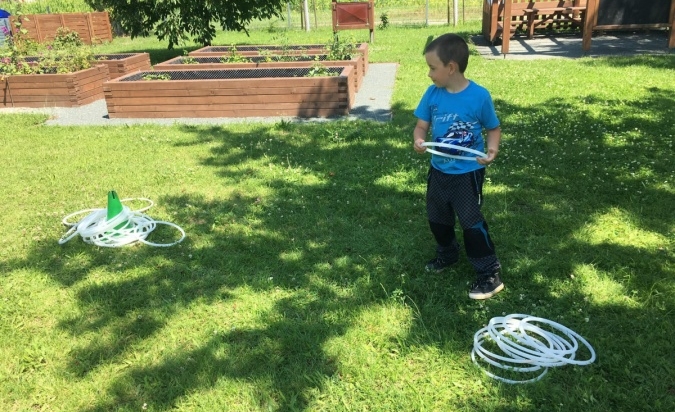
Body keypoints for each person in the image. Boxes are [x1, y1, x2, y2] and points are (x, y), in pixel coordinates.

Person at [412, 33, 504, 300]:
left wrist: (492, 150)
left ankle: (489, 272)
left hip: (467, 173)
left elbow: (493, 128)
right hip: (439, 170)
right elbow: (421, 126)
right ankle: (447, 254)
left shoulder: (478, 97)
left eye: (432, 68)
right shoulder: (432, 94)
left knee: (470, 221)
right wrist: (419, 139)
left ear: (450, 68)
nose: (429, 74)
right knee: (437, 217)